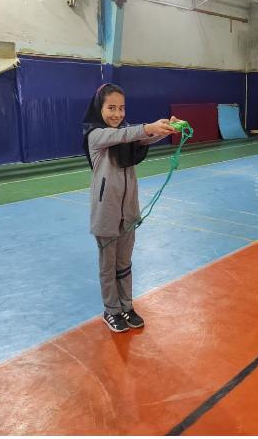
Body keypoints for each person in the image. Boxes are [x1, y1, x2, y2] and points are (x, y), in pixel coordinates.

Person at [82, 83, 179, 332]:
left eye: (121, 108)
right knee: (108, 265)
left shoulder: (127, 133)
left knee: (124, 263)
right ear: (99, 108)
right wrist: (148, 127)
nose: (117, 114)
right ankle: (111, 310)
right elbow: (128, 135)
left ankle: (126, 305)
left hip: (128, 213)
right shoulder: (96, 136)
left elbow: (141, 137)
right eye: (111, 108)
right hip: (106, 213)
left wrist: (166, 128)